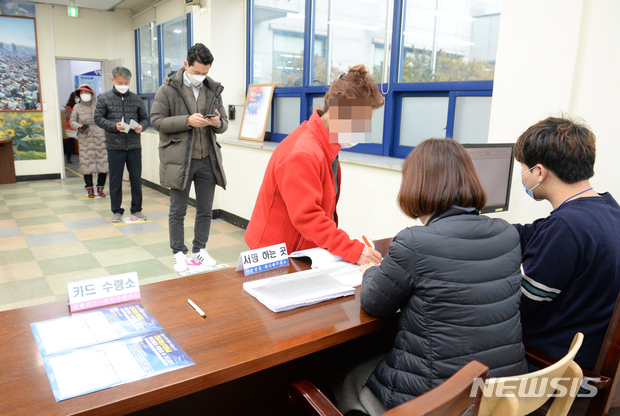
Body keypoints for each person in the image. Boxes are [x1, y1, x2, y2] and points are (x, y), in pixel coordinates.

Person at [335, 138, 527, 416]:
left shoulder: (414, 242)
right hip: (500, 397)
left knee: (348, 376)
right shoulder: (507, 234)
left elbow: (375, 303)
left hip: (439, 402)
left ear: (416, 186)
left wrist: (371, 271)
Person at [245, 65, 383, 265]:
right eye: (358, 122)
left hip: (300, 250)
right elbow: (308, 217)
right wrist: (351, 249)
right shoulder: (303, 153)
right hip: (276, 255)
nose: (361, 131)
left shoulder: (326, 144)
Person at [513, 116, 620, 371]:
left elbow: (518, 305)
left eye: (523, 167)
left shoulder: (566, 228)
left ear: (539, 172)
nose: (521, 174)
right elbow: (531, 233)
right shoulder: (608, 210)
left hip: (553, 367)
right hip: (588, 356)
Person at [151, 43, 228, 272]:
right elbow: (156, 121)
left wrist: (217, 122)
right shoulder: (167, 90)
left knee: (205, 209)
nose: (201, 77)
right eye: (196, 73)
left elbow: (223, 123)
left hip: (207, 159)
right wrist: (187, 121)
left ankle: (199, 250)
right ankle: (178, 253)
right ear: (186, 65)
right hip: (179, 159)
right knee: (178, 210)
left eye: (205, 73)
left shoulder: (213, 89)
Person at [94, 67, 150, 223]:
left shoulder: (136, 99)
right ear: (113, 80)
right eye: (120, 82)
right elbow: (98, 119)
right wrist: (114, 125)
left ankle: (136, 210)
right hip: (115, 147)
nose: (123, 85)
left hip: (133, 146)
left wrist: (141, 127)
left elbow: (145, 119)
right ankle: (117, 211)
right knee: (115, 180)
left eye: (126, 82)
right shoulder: (104, 98)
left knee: (136, 180)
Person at [70, 84, 108, 198]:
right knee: (86, 163)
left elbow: (105, 119)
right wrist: (79, 126)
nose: (84, 95)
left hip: (100, 136)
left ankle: (101, 188)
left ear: (91, 93)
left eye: (86, 93)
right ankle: (89, 189)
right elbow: (72, 121)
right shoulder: (77, 107)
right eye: (81, 93)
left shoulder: (99, 105)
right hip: (85, 137)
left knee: (103, 163)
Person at [63, 92, 77, 164]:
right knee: (71, 144)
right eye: (76, 97)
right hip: (70, 127)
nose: (78, 99)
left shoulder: (78, 106)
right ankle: (68, 158)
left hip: (79, 126)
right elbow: (68, 116)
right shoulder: (68, 106)